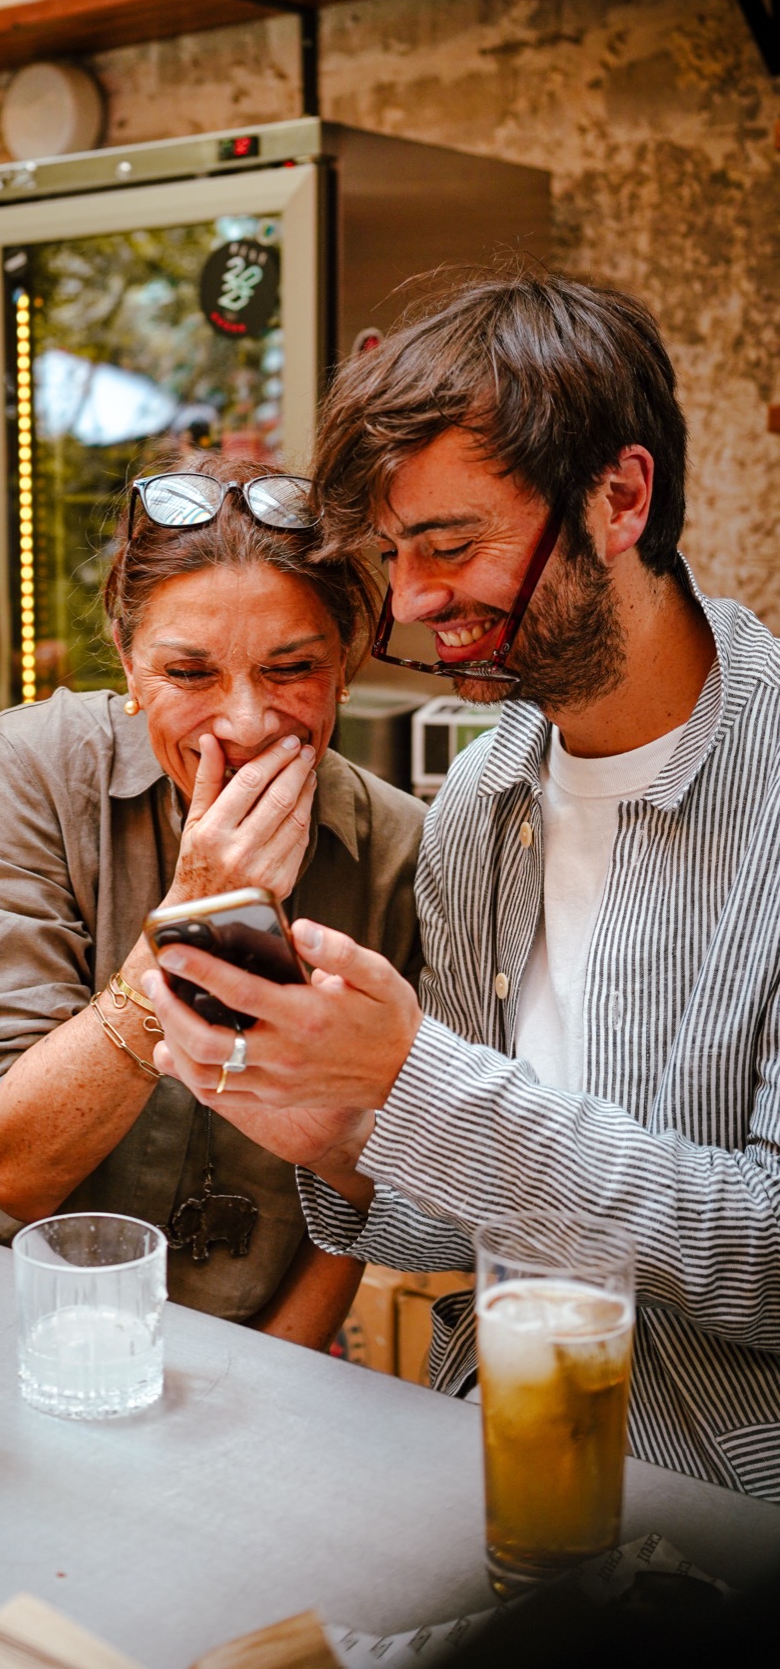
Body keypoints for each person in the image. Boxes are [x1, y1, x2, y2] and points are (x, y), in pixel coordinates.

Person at [146, 268, 780, 1497]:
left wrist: (414, 1080)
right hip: (485, 1461)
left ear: (619, 496)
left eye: (449, 543)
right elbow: (469, 1226)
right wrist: (335, 1136)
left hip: (723, 1523)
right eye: (395, 554)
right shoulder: (484, 802)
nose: (419, 599)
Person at [0, 453, 423, 1348]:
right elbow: (15, 1169)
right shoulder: (39, 766)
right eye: (190, 673)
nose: (246, 723)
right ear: (129, 664)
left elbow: (367, 1188)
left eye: (290, 668)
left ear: (344, 667)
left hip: (238, 1339)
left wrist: (280, 1376)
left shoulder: (399, 850)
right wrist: (195, 918)